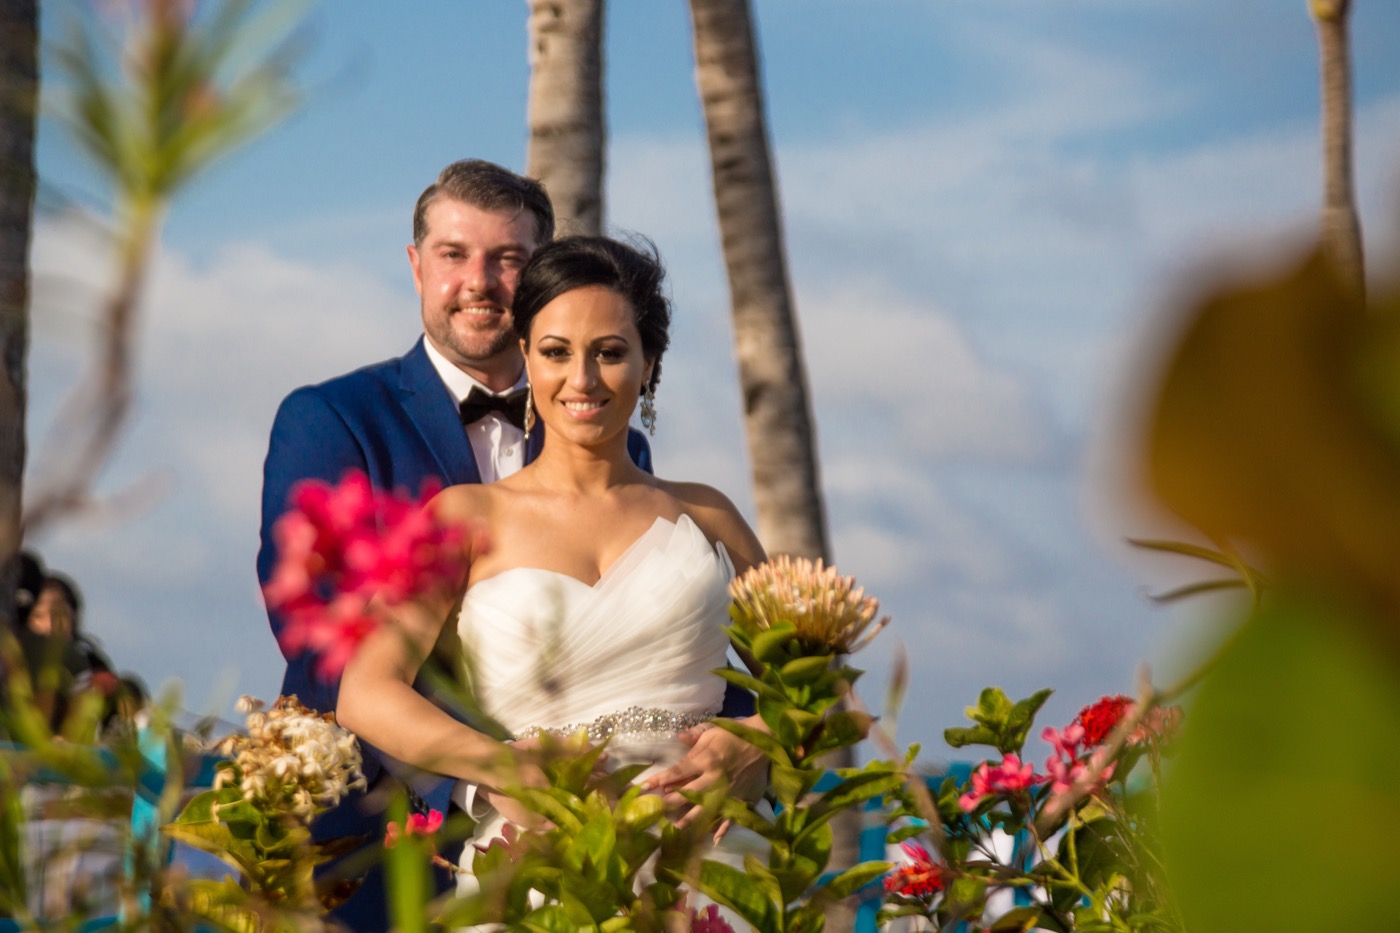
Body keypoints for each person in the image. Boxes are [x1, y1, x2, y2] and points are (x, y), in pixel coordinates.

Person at [257, 160, 751, 930]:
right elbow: (329, 645)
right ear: (417, 264)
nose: (480, 280)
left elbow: (730, 656)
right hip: (401, 841)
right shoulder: (334, 420)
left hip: (689, 844)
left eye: (508, 258)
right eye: (454, 254)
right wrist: (490, 780)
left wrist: (749, 750)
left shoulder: (667, 487)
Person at [335, 235, 772, 897]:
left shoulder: (708, 517)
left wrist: (761, 741)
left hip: (705, 865)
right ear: (527, 360)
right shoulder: (464, 519)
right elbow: (365, 692)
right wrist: (499, 768)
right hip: (534, 860)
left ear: (649, 363)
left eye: (612, 352)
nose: (583, 380)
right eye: (556, 352)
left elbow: (821, 693)